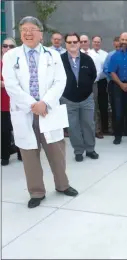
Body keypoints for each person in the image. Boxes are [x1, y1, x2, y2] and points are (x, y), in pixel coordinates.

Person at [2, 16, 78, 208]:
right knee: (29, 154)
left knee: (57, 151)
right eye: (24, 29)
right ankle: (36, 191)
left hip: (48, 111)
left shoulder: (52, 55)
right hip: (24, 111)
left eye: (32, 29)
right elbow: (11, 85)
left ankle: (62, 185)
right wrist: (32, 104)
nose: (28, 33)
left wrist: (45, 102)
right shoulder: (11, 56)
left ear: (40, 33)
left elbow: (60, 81)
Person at [60, 32, 99, 162]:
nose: (72, 44)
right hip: (68, 99)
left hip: (86, 98)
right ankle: (78, 151)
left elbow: (93, 75)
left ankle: (90, 149)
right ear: (65, 44)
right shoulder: (60, 60)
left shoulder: (87, 59)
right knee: (73, 127)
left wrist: (85, 87)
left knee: (88, 124)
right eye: (69, 42)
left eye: (75, 42)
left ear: (79, 43)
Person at [1, 37, 22, 166]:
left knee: (20, 129)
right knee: (4, 131)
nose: (8, 48)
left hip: (18, 103)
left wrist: (6, 83)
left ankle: (22, 154)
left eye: (11, 46)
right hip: (2, 103)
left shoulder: (19, 63)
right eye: (5, 45)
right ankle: (5, 156)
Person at [103, 36, 120, 134]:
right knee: (115, 107)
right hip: (113, 84)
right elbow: (106, 69)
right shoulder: (110, 55)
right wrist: (114, 78)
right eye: (116, 46)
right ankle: (116, 129)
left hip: (125, 84)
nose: (118, 48)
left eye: (119, 46)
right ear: (114, 44)